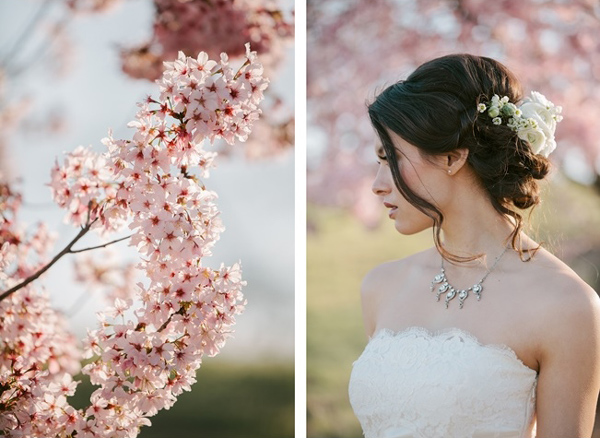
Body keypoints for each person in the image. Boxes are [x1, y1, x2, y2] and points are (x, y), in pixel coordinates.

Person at [348, 54, 600, 438]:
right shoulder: (381, 287)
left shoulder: (567, 306)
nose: (378, 184)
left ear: (452, 157)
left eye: (390, 159)